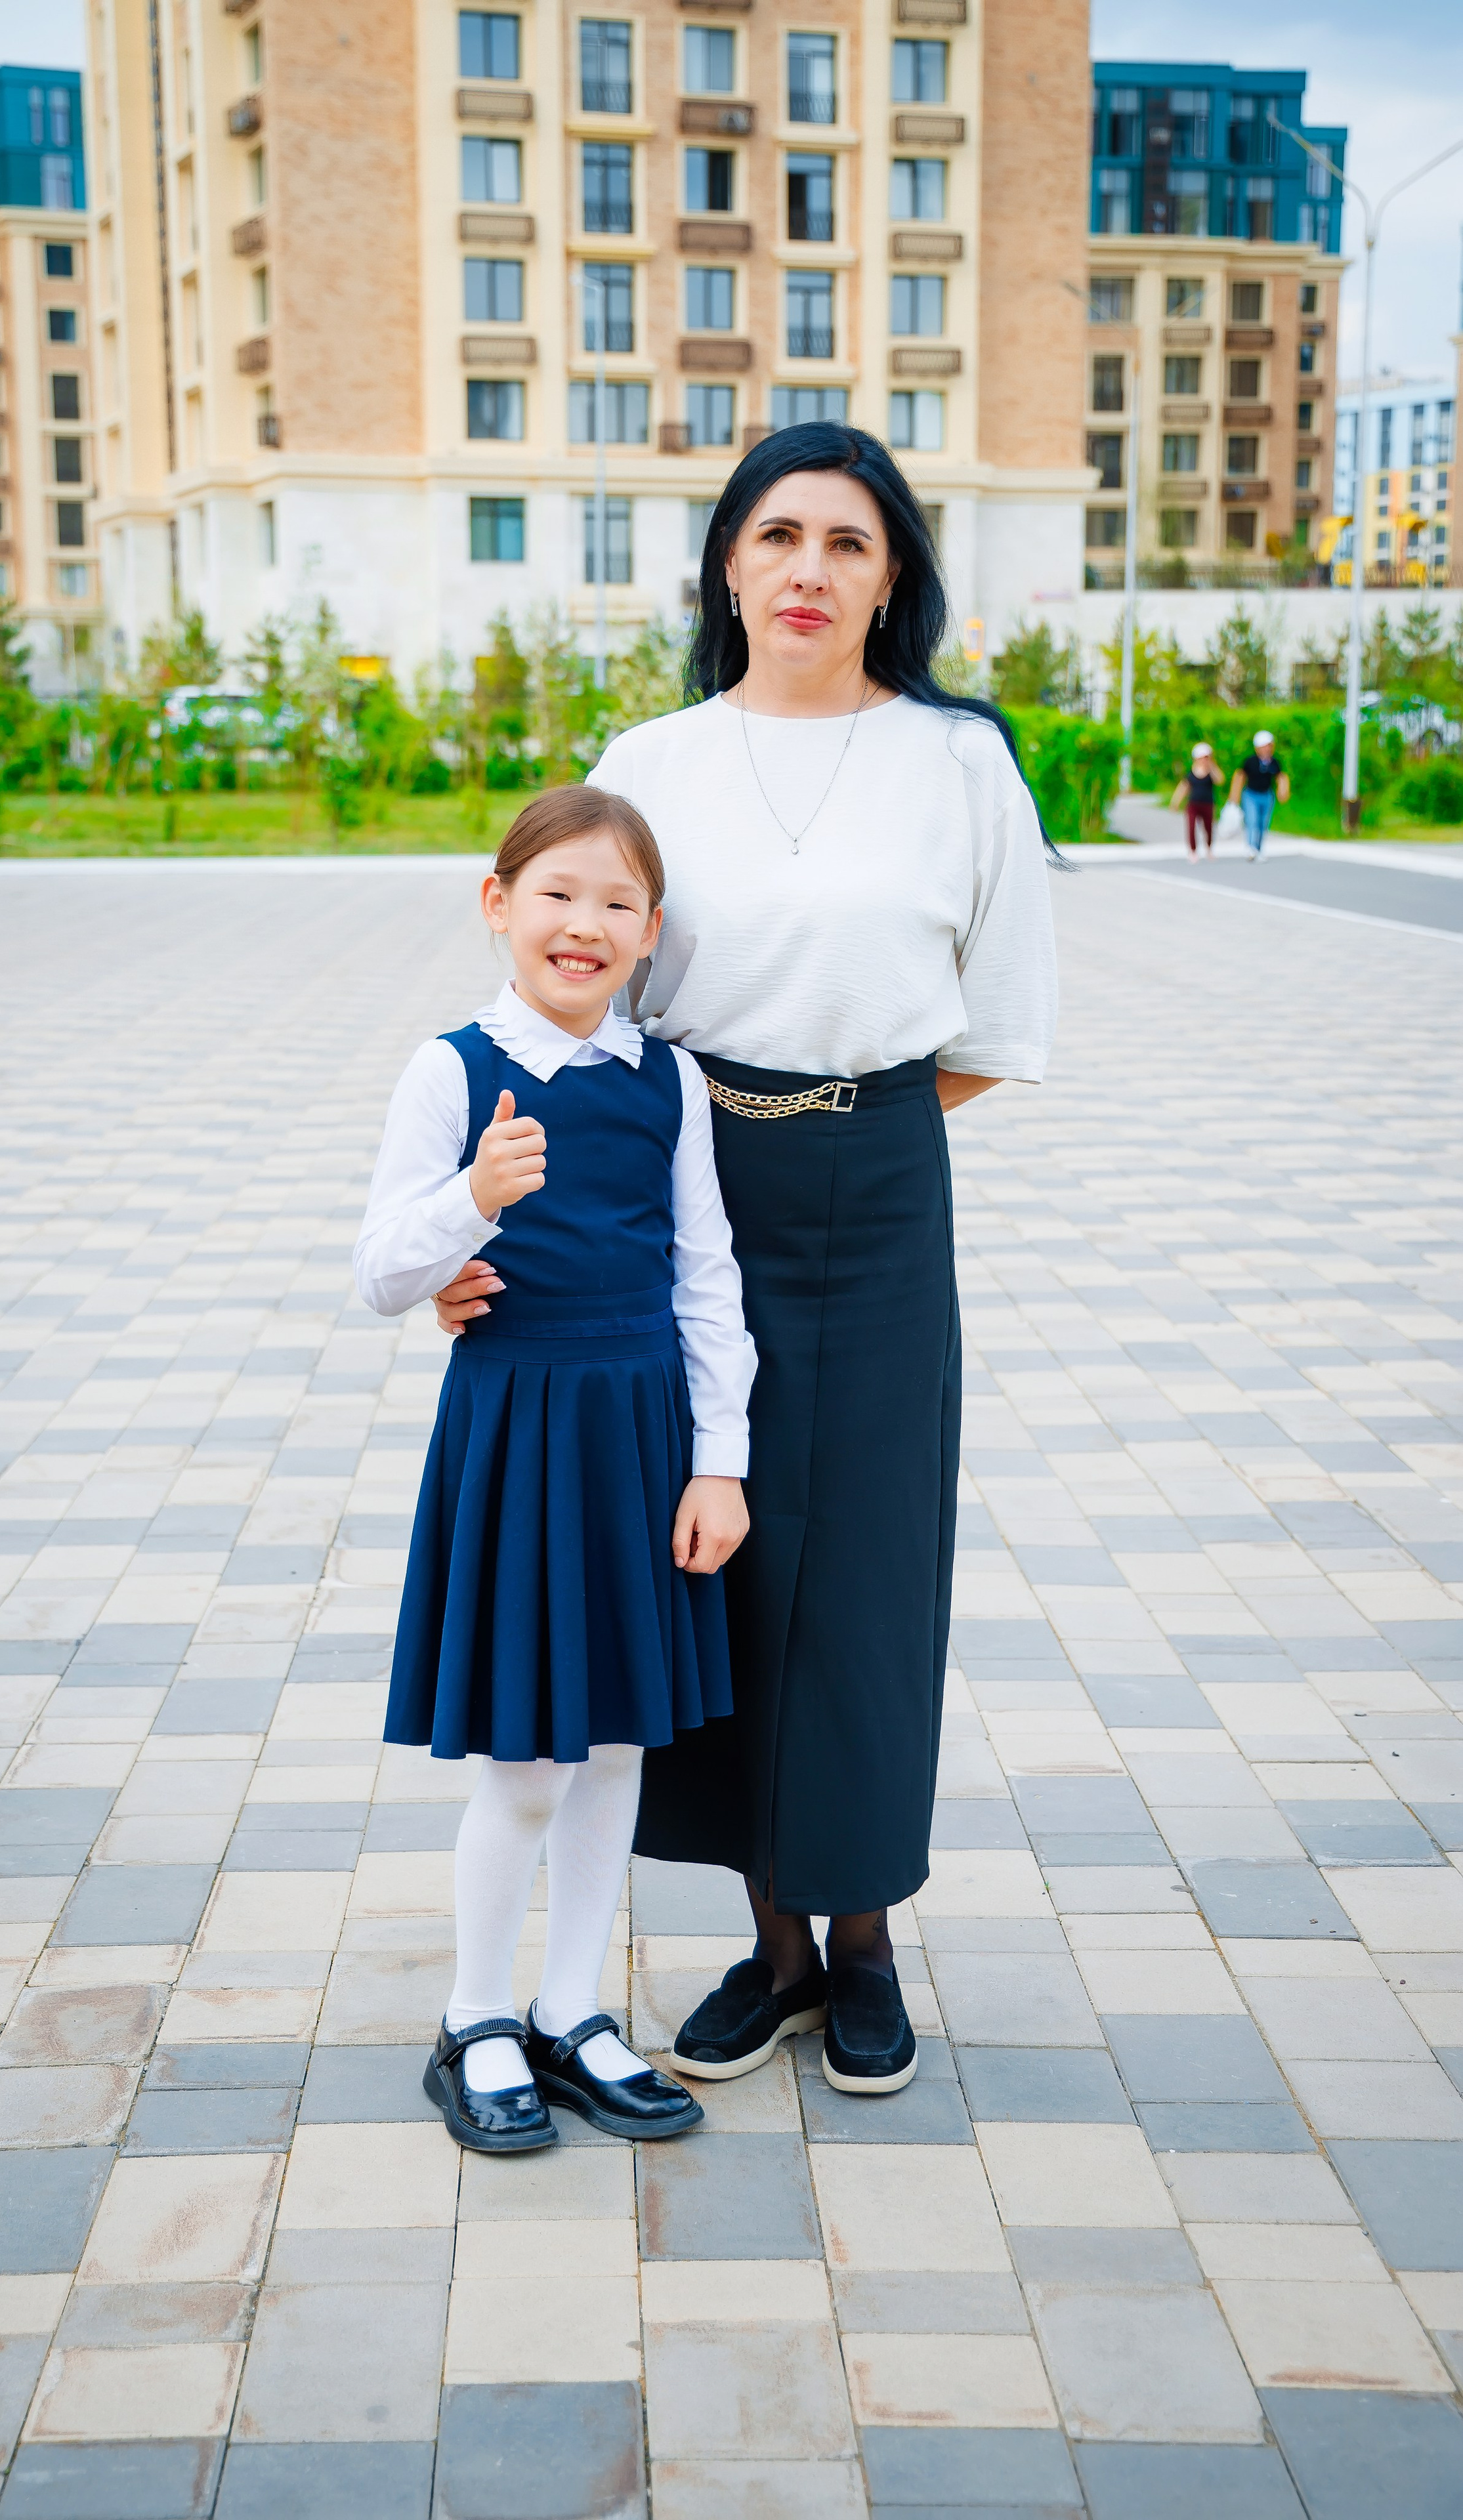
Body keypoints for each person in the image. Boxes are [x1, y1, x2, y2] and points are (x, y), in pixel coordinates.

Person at [433, 421, 1057, 2097]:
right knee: (715, 1552)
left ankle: (857, 1945)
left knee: (858, 1574)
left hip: (875, 1183)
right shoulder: (657, 754)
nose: (806, 569)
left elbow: (992, 1024)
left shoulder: (956, 760)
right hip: (671, 1177)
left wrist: (835, 1116)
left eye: (845, 543)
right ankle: (766, 1947)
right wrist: (473, 1227)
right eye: (776, 535)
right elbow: (574, 995)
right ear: (725, 561)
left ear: (892, 576)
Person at [352, 784, 756, 2154]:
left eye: (615, 904)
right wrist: (472, 1197)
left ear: (650, 934)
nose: (583, 925)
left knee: (616, 1750)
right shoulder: (453, 1069)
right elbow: (377, 1276)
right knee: (529, 1760)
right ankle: (477, 2017)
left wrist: (721, 1465)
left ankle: (573, 2011)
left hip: (641, 1436)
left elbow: (706, 1277)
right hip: (522, 1430)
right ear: (498, 906)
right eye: (557, 895)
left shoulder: (667, 1081)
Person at [1229, 730, 1290, 856]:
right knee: (1252, 820)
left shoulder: (1274, 763)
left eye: (1269, 746)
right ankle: (1251, 847)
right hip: (1251, 795)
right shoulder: (1250, 761)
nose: (1267, 749)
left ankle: (1259, 848)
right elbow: (1240, 777)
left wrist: (1283, 792)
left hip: (1267, 795)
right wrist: (1234, 797)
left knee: (1263, 823)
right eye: (1265, 746)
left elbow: (1281, 778)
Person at [1170, 742, 1223, 856]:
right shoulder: (1191, 773)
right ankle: (1193, 851)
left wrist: (1212, 765)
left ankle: (1209, 848)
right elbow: (1183, 788)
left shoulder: (1211, 772)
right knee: (1191, 827)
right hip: (1193, 804)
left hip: (1208, 804)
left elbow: (1220, 780)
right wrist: (1175, 802)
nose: (1204, 760)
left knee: (1208, 828)